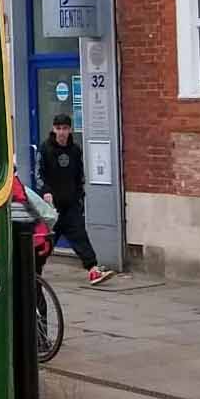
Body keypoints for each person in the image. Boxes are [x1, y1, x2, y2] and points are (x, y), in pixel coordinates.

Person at [37, 112, 113, 286]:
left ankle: (93, 270)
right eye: (58, 129)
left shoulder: (75, 150)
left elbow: (80, 176)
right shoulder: (45, 149)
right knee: (46, 242)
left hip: (71, 204)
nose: (62, 132)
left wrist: (80, 197)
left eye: (65, 128)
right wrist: (46, 192)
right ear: (53, 129)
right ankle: (32, 272)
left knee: (80, 236)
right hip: (52, 206)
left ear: (70, 130)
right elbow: (40, 174)